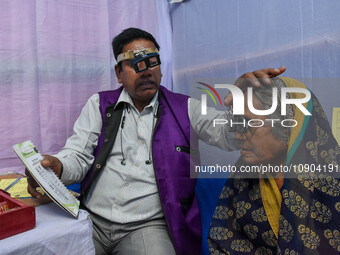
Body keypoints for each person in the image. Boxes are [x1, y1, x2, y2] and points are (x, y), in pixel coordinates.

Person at [26, 27, 285, 255]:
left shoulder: (187, 108)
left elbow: (230, 136)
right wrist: (57, 166)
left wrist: (241, 102)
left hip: (147, 227)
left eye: (152, 61)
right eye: (136, 64)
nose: (147, 70)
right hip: (91, 220)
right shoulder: (100, 104)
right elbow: (78, 156)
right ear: (119, 73)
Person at [208, 77, 340, 254]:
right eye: (238, 124)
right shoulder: (243, 176)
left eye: (249, 123)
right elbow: (222, 242)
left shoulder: (331, 182)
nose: (239, 136)